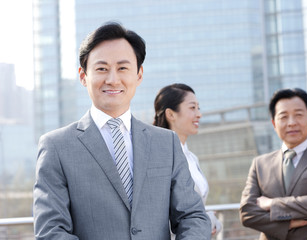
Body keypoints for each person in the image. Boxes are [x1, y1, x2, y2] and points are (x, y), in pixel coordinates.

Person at [33, 22, 211, 240]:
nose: (112, 79)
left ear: (139, 75)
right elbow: (51, 231)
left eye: (123, 68)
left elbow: (192, 216)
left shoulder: (166, 143)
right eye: (101, 69)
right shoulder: (56, 147)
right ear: (83, 76)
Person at [239, 88, 307, 240]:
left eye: (298, 115)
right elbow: (247, 213)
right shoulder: (260, 164)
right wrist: (288, 224)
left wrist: (272, 204)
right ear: (274, 123)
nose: (291, 123)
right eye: (284, 117)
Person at [153, 83, 222, 236]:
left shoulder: (192, 158)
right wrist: (207, 220)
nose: (199, 114)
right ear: (171, 114)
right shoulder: (158, 158)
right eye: (192, 108)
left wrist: (210, 220)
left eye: (199, 108)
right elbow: (161, 216)